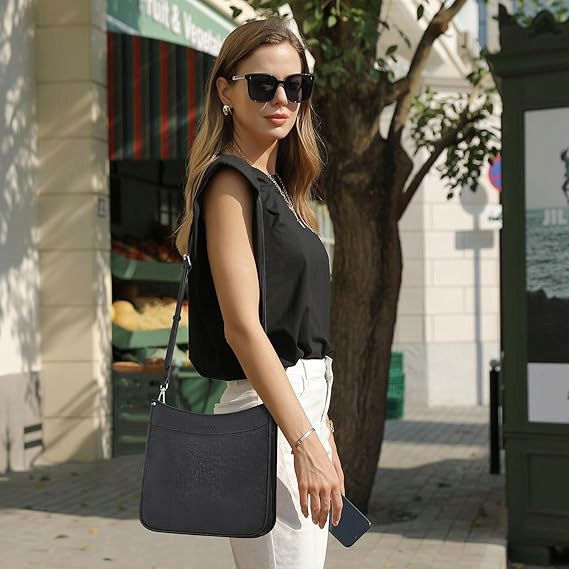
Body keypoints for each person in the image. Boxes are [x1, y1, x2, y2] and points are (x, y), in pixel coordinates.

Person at [175, 15, 344, 569]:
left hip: (300, 413)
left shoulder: (285, 192)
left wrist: (323, 431)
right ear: (225, 91)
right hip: (269, 418)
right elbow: (243, 328)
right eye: (263, 84)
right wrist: (304, 441)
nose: (282, 99)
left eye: (296, 86)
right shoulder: (230, 182)